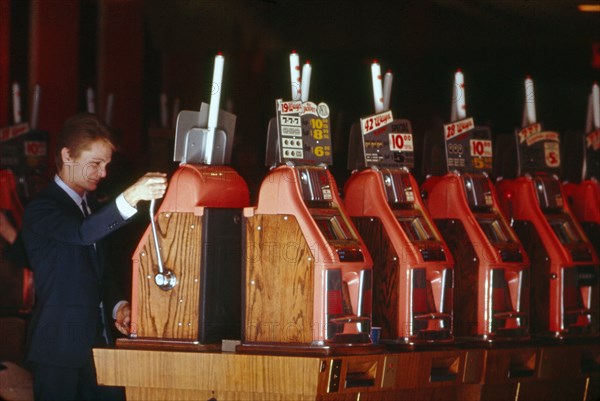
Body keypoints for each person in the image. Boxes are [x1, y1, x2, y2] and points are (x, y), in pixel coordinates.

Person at [21, 113, 168, 401]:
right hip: (58, 350)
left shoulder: (87, 208)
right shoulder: (42, 208)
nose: (102, 173)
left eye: (106, 166)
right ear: (67, 155)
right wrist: (132, 195)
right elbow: (82, 234)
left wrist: (118, 307)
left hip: (98, 346)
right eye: (95, 164)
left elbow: (98, 273)